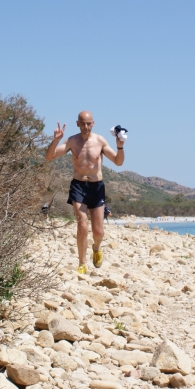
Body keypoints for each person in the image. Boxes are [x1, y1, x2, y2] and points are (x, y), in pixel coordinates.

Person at [45, 110, 125, 274]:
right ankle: (82, 263)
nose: (86, 126)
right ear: (77, 124)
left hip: (97, 187)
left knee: (98, 231)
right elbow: (49, 157)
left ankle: (96, 248)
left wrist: (120, 146)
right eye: (83, 123)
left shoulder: (100, 141)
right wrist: (56, 140)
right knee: (82, 224)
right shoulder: (72, 141)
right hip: (78, 186)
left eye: (89, 123)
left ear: (93, 124)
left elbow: (118, 162)